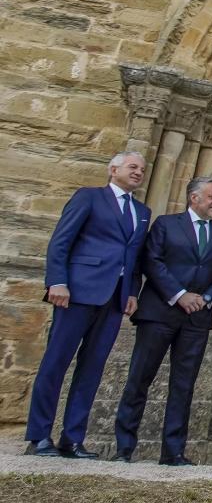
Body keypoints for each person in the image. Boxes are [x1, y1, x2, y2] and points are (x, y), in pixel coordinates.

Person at [26, 151, 150, 458]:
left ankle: (73, 438)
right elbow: (61, 240)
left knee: (92, 370)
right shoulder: (89, 197)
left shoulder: (142, 211)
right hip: (78, 292)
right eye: (132, 167)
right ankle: (39, 437)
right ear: (113, 169)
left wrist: (132, 291)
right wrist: (57, 281)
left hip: (113, 299)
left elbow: (134, 258)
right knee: (55, 363)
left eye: (143, 169)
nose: (138, 172)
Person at [113, 177, 212, 465]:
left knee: (184, 385)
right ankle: (124, 447)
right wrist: (179, 295)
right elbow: (152, 261)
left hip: (197, 319)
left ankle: (173, 451)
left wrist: (206, 299)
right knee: (140, 378)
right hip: (159, 313)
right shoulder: (166, 224)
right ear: (194, 198)